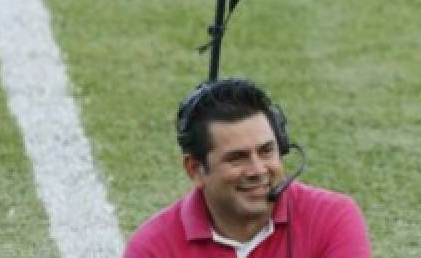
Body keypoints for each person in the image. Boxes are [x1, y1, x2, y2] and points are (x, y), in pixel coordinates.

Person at [124, 77, 372, 257]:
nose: (257, 170)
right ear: (195, 170)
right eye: (237, 157)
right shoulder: (152, 249)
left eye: (266, 151)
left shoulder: (333, 218)